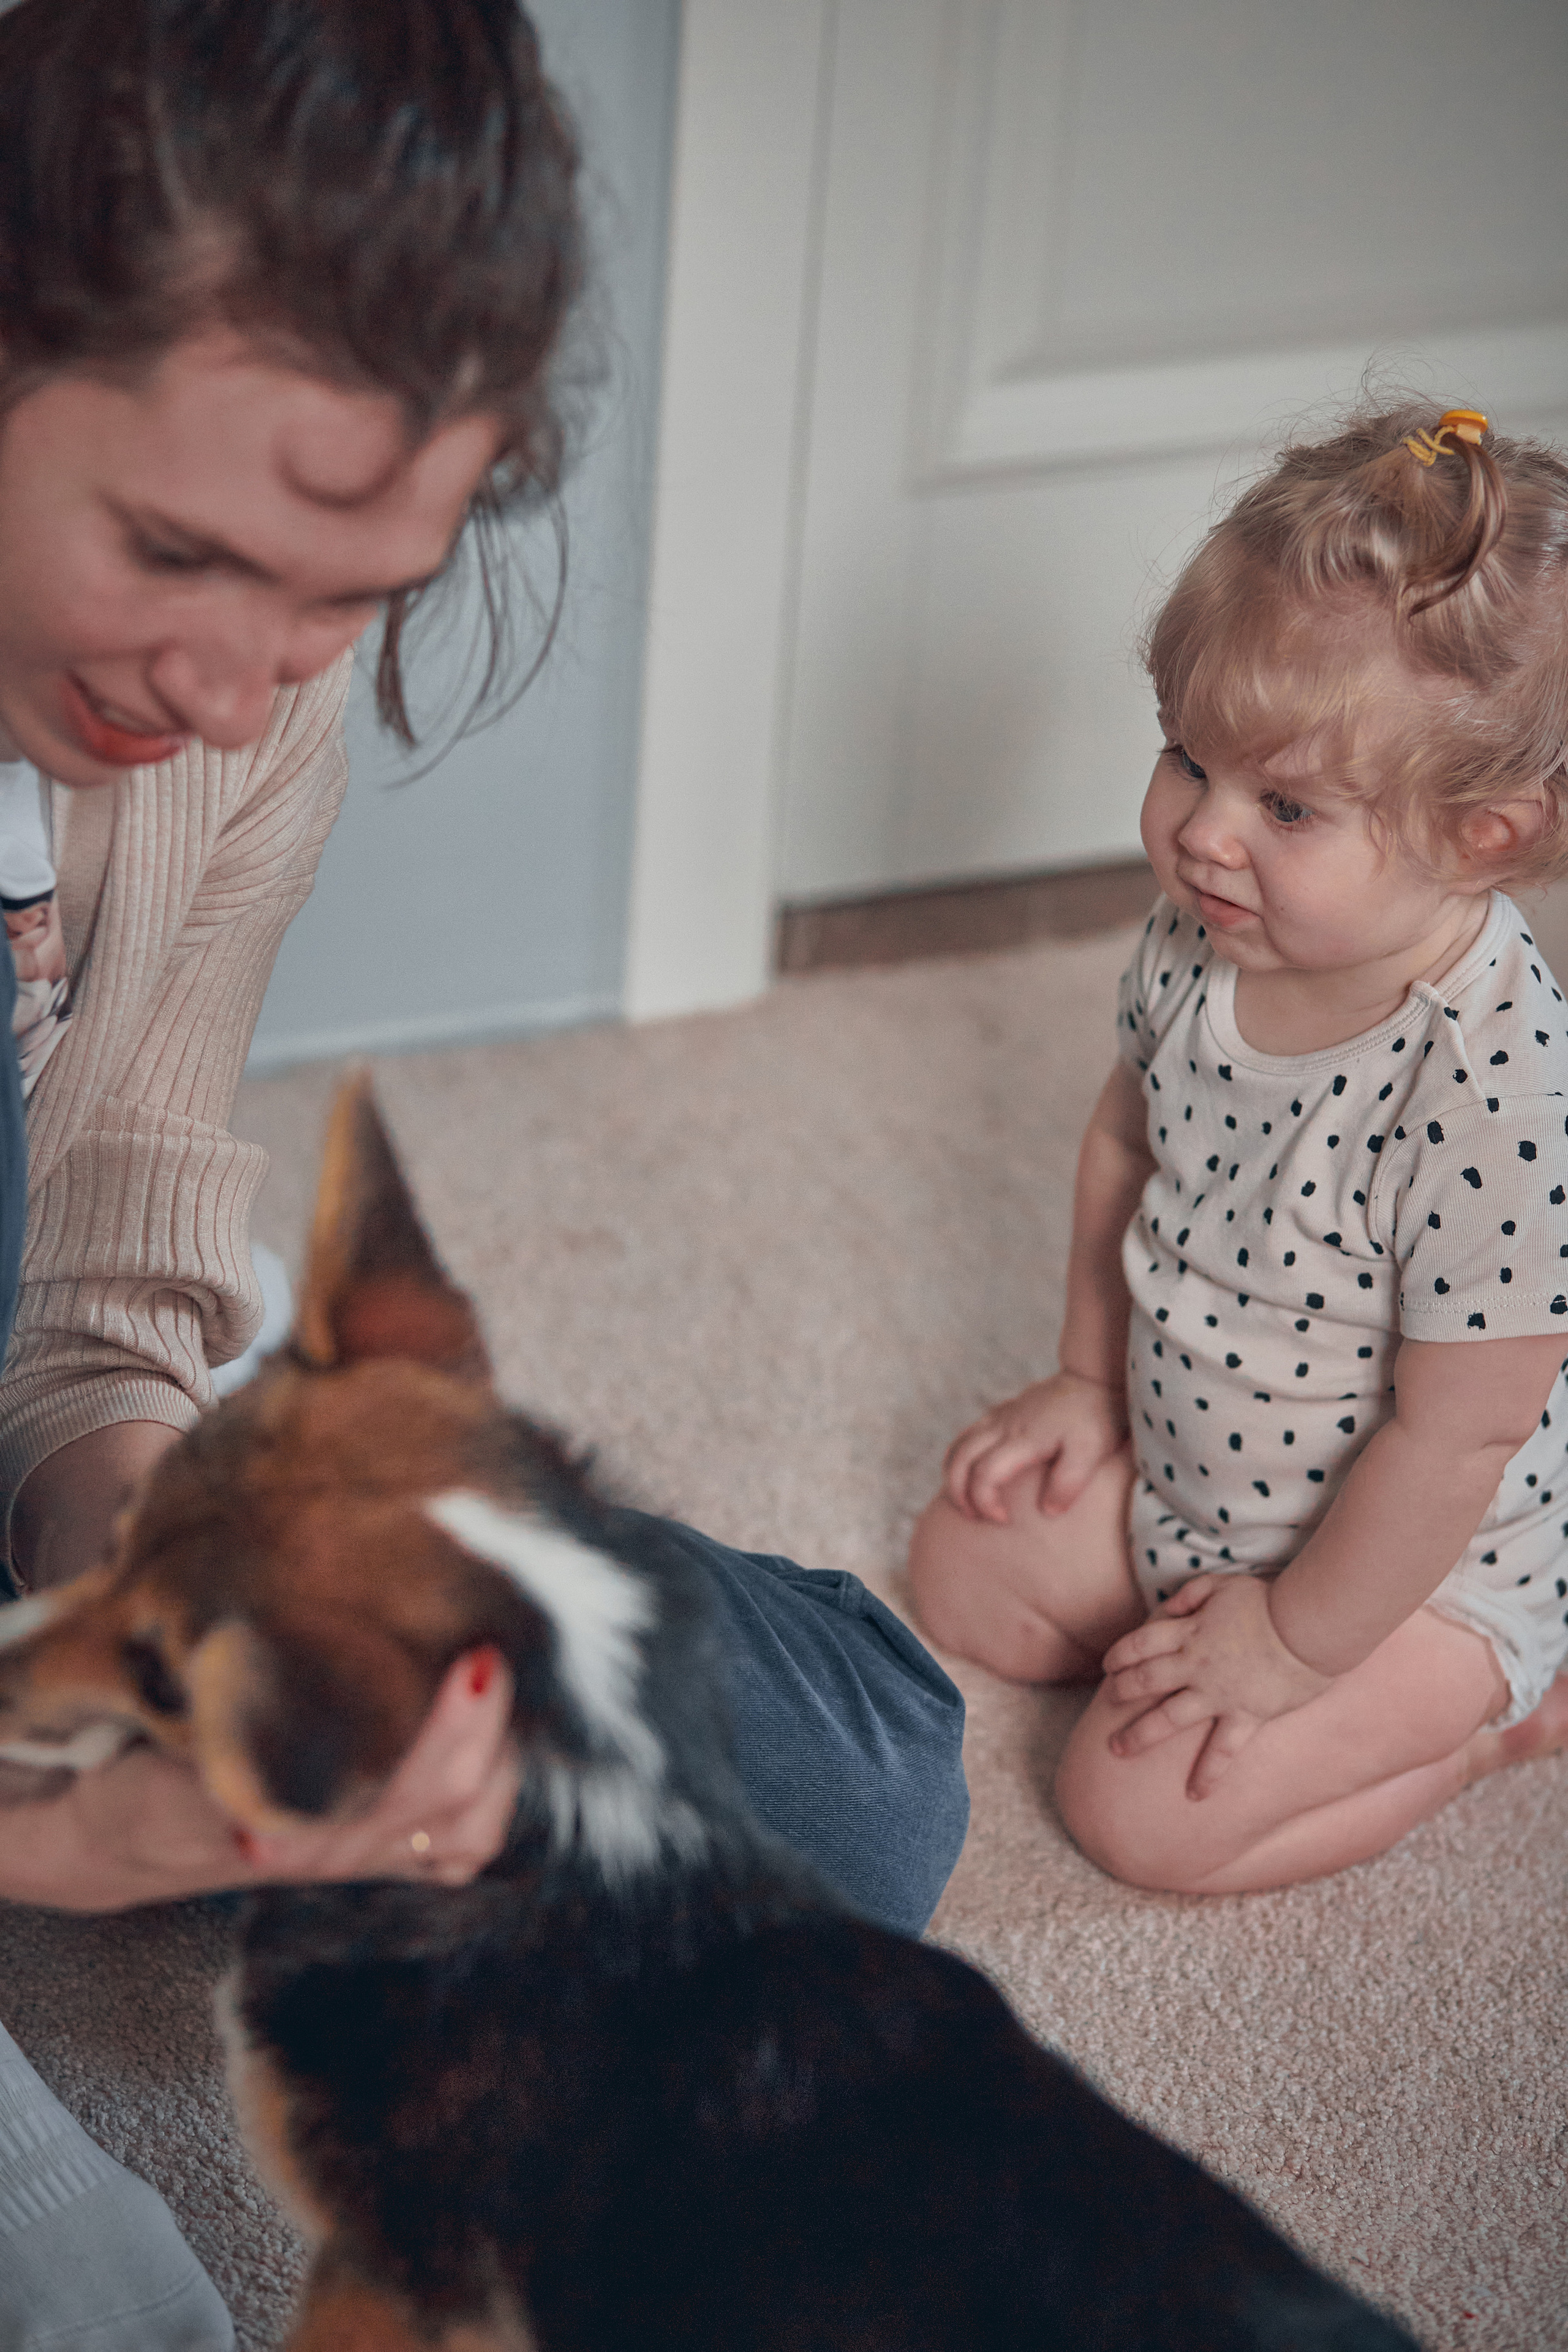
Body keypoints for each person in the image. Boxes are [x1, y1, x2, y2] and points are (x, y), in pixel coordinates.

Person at [0, 2, 968, 2343]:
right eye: (175, 551)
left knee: (850, 1793)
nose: (242, 687)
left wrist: (150, 1580)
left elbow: (112, 1215)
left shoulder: (224, 717)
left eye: (342, 599)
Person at [909, 401, 1568, 1899]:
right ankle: (1187, 1593)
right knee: (965, 1571)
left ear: (1479, 836)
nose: (1200, 835)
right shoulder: (1203, 939)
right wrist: (1086, 1386)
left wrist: (1286, 1644)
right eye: (1185, 763)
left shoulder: (1496, 1099)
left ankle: (1491, 1726)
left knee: (1139, 1814)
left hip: (1416, 1579)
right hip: (1193, 1477)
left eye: (1283, 804)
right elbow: (1120, 1149)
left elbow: (1453, 1437)